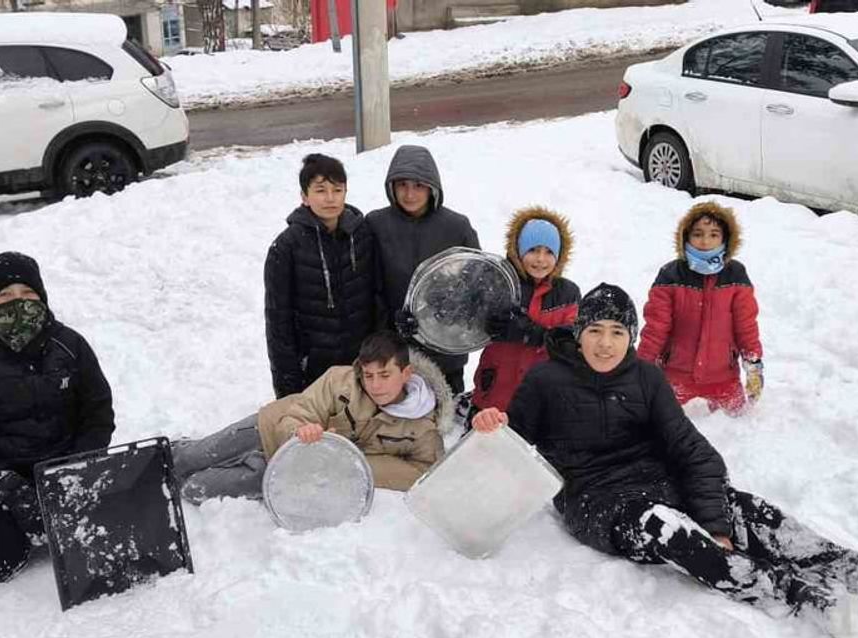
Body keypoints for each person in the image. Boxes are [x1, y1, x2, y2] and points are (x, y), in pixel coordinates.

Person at [472, 284, 858, 635]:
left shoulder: (645, 379)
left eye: (617, 331)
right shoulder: (546, 381)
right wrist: (491, 423)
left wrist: (715, 516)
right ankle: (800, 599)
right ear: (578, 334)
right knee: (669, 529)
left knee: (751, 512)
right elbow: (513, 441)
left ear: (631, 337)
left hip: (657, 480)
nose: (604, 342)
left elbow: (690, 448)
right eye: (594, 330)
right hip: (598, 503)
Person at [0, 252, 115, 583]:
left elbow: (98, 412)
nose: (18, 304)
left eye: (27, 294)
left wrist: (78, 464)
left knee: (111, 535)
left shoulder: (70, 345)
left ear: (42, 298)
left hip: (65, 464)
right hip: (6, 473)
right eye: (5, 296)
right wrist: (2, 485)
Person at [174, 331, 453, 501]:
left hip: (294, 469)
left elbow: (422, 473)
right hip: (269, 431)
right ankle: (165, 457)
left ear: (406, 374)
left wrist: (346, 461)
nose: (375, 385)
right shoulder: (339, 380)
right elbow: (297, 415)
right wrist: (300, 433)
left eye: (385, 375)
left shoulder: (422, 427)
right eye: (368, 375)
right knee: (188, 459)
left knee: (196, 489)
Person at [366, 144, 480, 395]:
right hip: (392, 356)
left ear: (433, 187)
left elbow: (476, 288)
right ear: (391, 186)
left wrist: (445, 323)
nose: (409, 194)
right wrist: (389, 327)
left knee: (444, 426)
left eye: (419, 185)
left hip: (445, 355)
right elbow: (369, 288)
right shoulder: (376, 225)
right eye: (402, 184)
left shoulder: (457, 227)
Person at [265, 153, 378, 399]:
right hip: (313, 372)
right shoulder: (286, 248)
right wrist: (288, 390)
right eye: (320, 190)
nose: (330, 198)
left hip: (361, 366)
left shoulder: (362, 235)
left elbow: (376, 297)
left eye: (337, 190)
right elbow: (278, 324)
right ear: (304, 197)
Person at [637, 201, 763, 414]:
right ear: (686, 236)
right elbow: (656, 328)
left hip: (723, 378)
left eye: (714, 234)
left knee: (738, 426)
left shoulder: (736, 276)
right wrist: (640, 368)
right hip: (676, 376)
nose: (705, 241)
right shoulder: (670, 276)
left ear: (725, 239)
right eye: (698, 234)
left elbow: (746, 326)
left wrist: (754, 365)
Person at [470, 207, 579, 422]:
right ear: (518, 250)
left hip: (540, 397)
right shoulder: (498, 283)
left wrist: (531, 333)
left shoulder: (568, 293)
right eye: (533, 250)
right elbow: (464, 321)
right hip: (493, 393)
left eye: (549, 252)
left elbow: (571, 343)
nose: (540, 259)